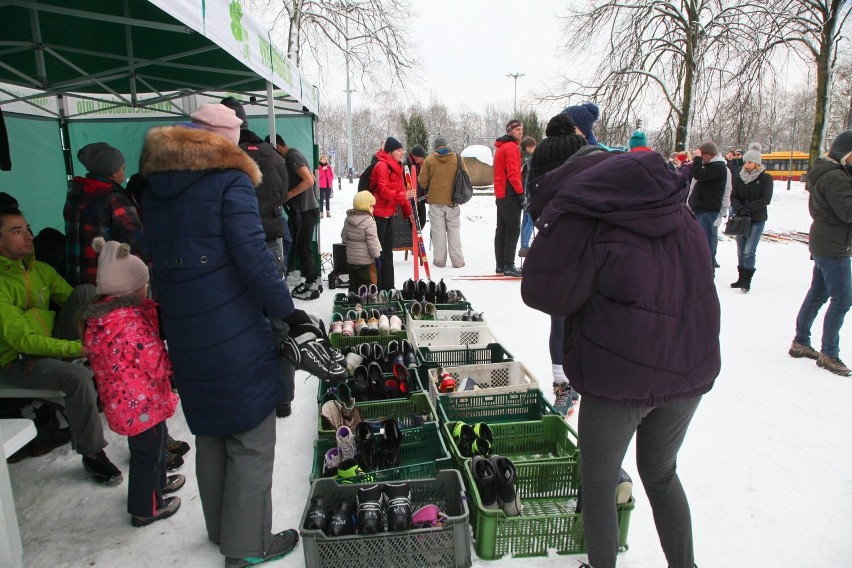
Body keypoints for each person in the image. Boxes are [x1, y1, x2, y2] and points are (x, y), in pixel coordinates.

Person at [139, 103, 321, 565]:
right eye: (238, 135)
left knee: (212, 430)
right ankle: (248, 545)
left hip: (183, 326)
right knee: (252, 435)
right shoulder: (230, 179)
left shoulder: (155, 184)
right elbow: (253, 255)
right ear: (224, 138)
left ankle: (222, 529)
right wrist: (289, 313)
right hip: (232, 324)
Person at [522, 150, 720, 568]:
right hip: (687, 370)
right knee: (662, 473)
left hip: (620, 379)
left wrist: (559, 230)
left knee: (598, 483)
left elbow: (545, 293)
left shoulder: (595, 226)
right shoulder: (682, 216)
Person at [0, 207, 122, 486]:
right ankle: (92, 454)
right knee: (77, 376)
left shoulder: (39, 270)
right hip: (20, 360)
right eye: (16, 231)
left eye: (27, 228)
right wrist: (76, 349)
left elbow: (77, 302)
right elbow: (20, 340)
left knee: (87, 292)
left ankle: (111, 350)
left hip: (51, 342)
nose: (29, 236)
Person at [80, 237, 182, 527]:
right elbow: (155, 362)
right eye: (144, 285)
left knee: (156, 443)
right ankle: (145, 509)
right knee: (146, 454)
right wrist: (179, 360)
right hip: (140, 404)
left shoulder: (108, 318)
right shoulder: (127, 323)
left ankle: (158, 485)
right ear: (129, 289)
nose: (147, 289)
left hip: (134, 402)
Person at [220, 97, 295, 418]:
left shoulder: (220, 158)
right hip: (270, 240)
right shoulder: (270, 154)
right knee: (277, 316)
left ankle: (250, 395)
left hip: (232, 247)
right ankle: (282, 396)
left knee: (240, 318)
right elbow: (281, 194)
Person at [526, 113, 589, 415]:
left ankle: (572, 380)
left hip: (566, 242)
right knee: (565, 316)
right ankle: (566, 382)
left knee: (569, 317)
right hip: (565, 246)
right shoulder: (575, 152)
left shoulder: (544, 155)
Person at [789, 130, 852, 377]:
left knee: (818, 293)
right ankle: (829, 353)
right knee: (843, 299)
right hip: (833, 245)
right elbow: (848, 211)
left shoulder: (830, 173)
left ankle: (801, 342)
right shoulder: (835, 178)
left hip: (828, 241)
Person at [63, 142, 149, 287]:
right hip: (108, 282)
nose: (124, 172)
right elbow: (138, 241)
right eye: (123, 168)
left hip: (77, 278)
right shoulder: (115, 199)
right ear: (114, 173)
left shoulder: (75, 193)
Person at [267, 133, 320, 300]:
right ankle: (313, 281)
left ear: (279, 146)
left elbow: (309, 180)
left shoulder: (292, 156)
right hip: (304, 209)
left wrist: (289, 194)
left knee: (304, 248)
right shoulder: (292, 156)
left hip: (306, 209)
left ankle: (312, 284)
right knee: (302, 248)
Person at [369, 136, 415, 291]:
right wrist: (404, 196)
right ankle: (379, 287)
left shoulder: (398, 166)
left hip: (388, 215)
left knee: (388, 253)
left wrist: (409, 212)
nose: (402, 152)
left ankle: (389, 287)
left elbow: (401, 191)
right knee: (379, 253)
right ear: (390, 152)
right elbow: (383, 192)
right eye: (398, 150)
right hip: (378, 215)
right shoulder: (382, 166)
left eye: (402, 149)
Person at [729, 143, 773, 292]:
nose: (746, 164)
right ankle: (741, 278)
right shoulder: (739, 177)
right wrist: (739, 208)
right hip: (741, 217)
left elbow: (765, 199)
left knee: (749, 250)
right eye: (745, 161)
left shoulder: (766, 178)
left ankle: (747, 280)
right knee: (740, 250)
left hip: (757, 218)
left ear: (757, 163)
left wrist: (749, 208)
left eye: (749, 162)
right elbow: (733, 195)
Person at [418, 136, 467, 268]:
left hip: (435, 202)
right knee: (454, 230)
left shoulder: (429, 160)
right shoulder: (457, 158)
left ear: (435, 147)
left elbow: (422, 182)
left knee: (438, 231)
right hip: (453, 201)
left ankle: (439, 260)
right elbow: (466, 176)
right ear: (446, 145)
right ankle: (457, 261)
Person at [687, 140, 728, 269]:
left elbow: (698, 175)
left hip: (707, 209)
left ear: (708, 154)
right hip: (702, 208)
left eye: (702, 155)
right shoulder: (713, 166)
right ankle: (702, 266)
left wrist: (697, 159)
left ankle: (707, 267)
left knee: (704, 240)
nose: (701, 159)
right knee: (701, 239)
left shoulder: (718, 167)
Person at [493, 119, 525, 277]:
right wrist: (520, 193)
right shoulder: (511, 147)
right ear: (510, 131)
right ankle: (509, 265)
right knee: (512, 228)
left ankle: (500, 264)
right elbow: (513, 173)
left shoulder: (501, 147)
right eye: (518, 129)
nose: (521, 131)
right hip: (509, 192)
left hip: (501, 193)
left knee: (502, 228)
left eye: (521, 129)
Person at [341, 191, 381, 292]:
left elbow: (344, 238)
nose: (373, 208)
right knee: (367, 285)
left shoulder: (348, 219)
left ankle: (352, 302)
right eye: (372, 206)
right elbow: (373, 242)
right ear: (366, 207)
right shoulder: (369, 221)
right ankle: (365, 304)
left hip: (351, 261)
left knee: (353, 284)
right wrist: (377, 257)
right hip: (366, 262)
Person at [518, 136, 537, 258]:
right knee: (530, 220)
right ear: (530, 146)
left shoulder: (523, 160)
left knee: (525, 220)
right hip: (531, 193)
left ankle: (523, 246)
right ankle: (524, 246)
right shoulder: (532, 160)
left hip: (524, 193)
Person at [406, 144, 428, 228]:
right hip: (410, 199)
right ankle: (412, 240)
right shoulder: (406, 165)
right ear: (414, 156)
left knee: (421, 221)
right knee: (411, 223)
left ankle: (417, 239)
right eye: (420, 157)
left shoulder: (422, 165)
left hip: (420, 198)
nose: (422, 159)